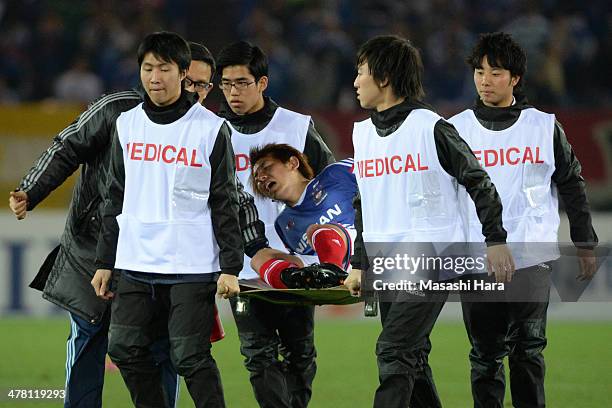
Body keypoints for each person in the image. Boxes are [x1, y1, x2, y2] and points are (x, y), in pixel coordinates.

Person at [7, 40, 222, 408]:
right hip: (94, 251)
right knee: (89, 342)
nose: (194, 94)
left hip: (161, 262)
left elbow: (224, 197)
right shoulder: (118, 111)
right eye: (190, 83)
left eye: (202, 87)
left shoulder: (204, 131)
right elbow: (67, 147)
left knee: (162, 351)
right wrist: (31, 188)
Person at [343, 35, 515, 408]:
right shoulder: (362, 134)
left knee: (393, 351)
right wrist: (359, 264)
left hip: (431, 258)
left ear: (384, 77)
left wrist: (495, 239)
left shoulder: (432, 128)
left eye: (361, 72)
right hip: (387, 261)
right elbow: (363, 206)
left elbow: (480, 182)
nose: (355, 82)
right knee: (412, 359)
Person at [90, 31, 241, 408]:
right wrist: (104, 261)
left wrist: (231, 266)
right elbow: (115, 196)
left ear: (183, 72)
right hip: (135, 260)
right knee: (123, 348)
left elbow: (226, 201)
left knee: (190, 356)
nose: (154, 77)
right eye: (147, 68)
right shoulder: (126, 124)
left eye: (164, 69)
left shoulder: (210, 128)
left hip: (191, 264)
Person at [448, 31, 598, 408]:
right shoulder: (456, 129)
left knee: (528, 352)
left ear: (515, 78)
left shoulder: (544, 127)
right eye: (479, 72)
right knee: (484, 358)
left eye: (495, 72)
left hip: (532, 257)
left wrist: (585, 243)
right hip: (476, 258)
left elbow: (572, 184)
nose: (485, 80)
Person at [215, 40, 335, 408]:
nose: (233, 92)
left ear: (262, 83)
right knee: (257, 356)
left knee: (301, 356)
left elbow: (330, 187)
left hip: (297, 264)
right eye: (226, 84)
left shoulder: (296, 129)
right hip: (245, 267)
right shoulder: (212, 130)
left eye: (241, 83)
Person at [248, 143, 356, 289]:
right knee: (258, 258)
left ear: (293, 163)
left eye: (266, 167)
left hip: (360, 251)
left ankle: (332, 272)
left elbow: (378, 180)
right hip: (316, 269)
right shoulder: (282, 223)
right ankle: (298, 282)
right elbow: (303, 259)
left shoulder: (337, 173)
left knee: (315, 231)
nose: (260, 178)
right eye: (256, 178)